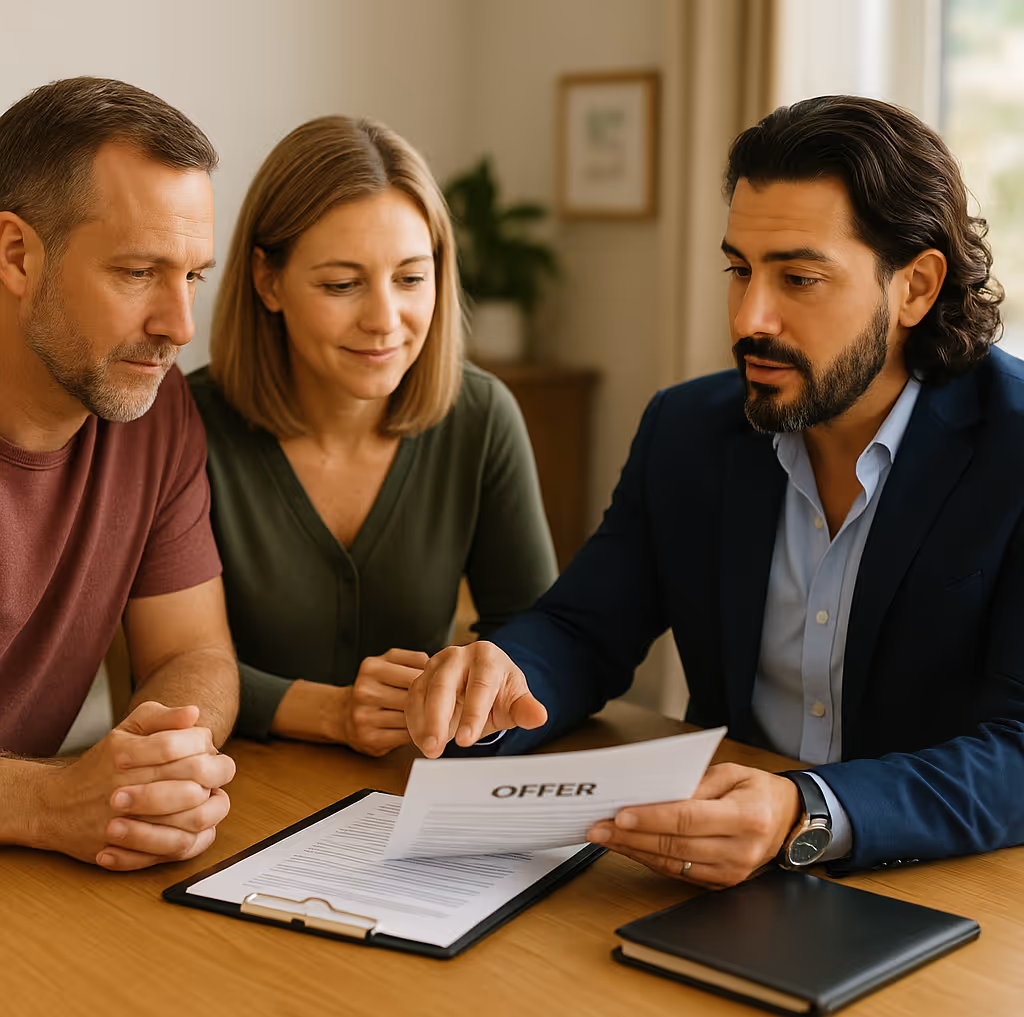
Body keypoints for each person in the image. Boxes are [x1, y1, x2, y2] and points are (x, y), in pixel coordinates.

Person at [403, 95, 1024, 888]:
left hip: (941, 888)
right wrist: (494, 684)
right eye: (739, 270)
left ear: (915, 287)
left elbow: (1017, 751)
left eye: (799, 277)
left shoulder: (1012, 450)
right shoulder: (687, 431)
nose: (748, 317)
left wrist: (808, 810)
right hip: (708, 875)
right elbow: (583, 630)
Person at [187, 116, 556, 755]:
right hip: (232, 791)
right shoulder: (185, 425)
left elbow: (536, 634)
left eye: (411, 278)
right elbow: (170, 664)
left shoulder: (482, 415)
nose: (385, 320)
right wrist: (331, 712)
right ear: (267, 281)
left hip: (414, 787)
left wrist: (489, 680)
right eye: (342, 284)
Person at [0, 78, 238, 871]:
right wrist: (43, 803)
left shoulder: (152, 403)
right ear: (16, 254)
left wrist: (156, 766)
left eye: (193, 274)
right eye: (139, 272)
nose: (179, 326)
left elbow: (192, 652)